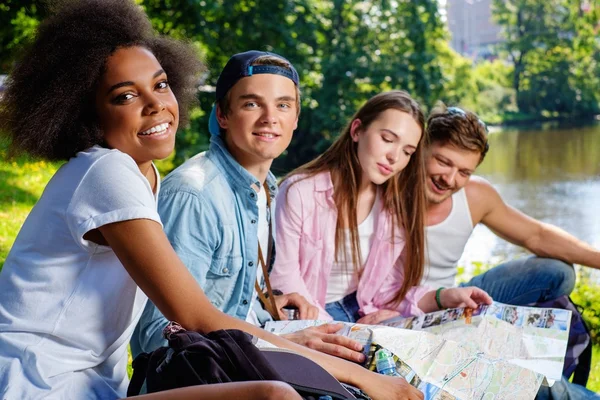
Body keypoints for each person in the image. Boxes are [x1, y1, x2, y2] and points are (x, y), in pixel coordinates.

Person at [0, 2, 421, 399]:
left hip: (96, 385)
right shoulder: (107, 173)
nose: (155, 105)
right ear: (86, 112)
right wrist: (356, 374)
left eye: (161, 85)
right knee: (276, 395)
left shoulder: (145, 175)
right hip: (36, 385)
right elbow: (197, 317)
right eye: (125, 96)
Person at [132, 50, 371, 364]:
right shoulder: (195, 196)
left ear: (296, 118)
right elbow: (157, 333)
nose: (270, 118)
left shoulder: (264, 190)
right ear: (223, 116)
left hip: (246, 358)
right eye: (252, 103)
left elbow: (228, 305)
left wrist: (272, 305)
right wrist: (283, 342)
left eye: (283, 105)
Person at [421, 104, 600, 399]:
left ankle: (515, 340)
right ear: (422, 148)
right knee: (534, 385)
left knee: (557, 272)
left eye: (464, 171)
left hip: (453, 298)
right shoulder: (388, 184)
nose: (450, 179)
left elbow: (536, 234)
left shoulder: (476, 195)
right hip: (408, 307)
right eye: (442, 161)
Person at [269, 91, 492, 327]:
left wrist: (443, 297)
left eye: (407, 151)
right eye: (387, 139)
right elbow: (284, 280)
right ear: (357, 131)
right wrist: (343, 330)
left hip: (361, 311)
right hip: (310, 316)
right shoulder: (300, 191)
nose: (394, 157)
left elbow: (386, 290)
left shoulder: (392, 204)